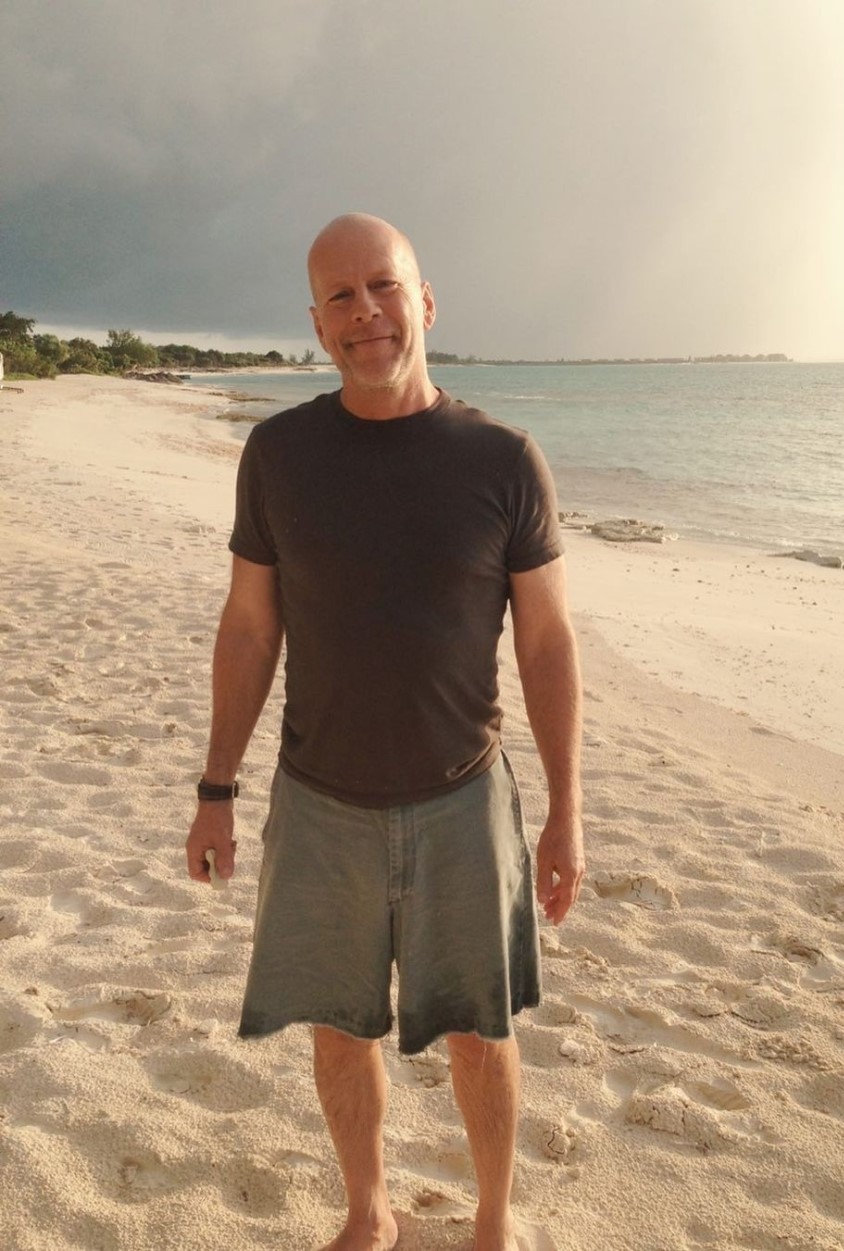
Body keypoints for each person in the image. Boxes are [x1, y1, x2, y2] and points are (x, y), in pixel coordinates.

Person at [186, 213, 584, 1251]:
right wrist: (216, 788)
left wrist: (566, 811)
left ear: (426, 302)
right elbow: (250, 626)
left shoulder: (503, 459)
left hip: (465, 799)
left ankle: (493, 1220)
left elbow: (546, 642)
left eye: (383, 286)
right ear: (317, 326)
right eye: (340, 297)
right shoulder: (279, 454)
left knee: (479, 1030)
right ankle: (369, 1212)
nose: (365, 312)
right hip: (321, 801)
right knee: (338, 1025)